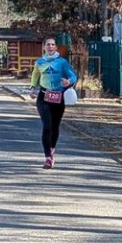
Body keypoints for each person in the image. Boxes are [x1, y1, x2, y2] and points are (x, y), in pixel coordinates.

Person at [30, 37, 77, 169]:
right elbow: (35, 76)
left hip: (58, 97)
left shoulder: (62, 62)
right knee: (46, 126)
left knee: (55, 127)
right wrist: (33, 88)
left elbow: (73, 75)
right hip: (43, 97)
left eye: (52, 45)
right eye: (48, 45)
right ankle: (47, 158)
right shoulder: (39, 62)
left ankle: (52, 149)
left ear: (55, 47)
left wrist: (69, 82)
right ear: (44, 47)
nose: (50, 47)